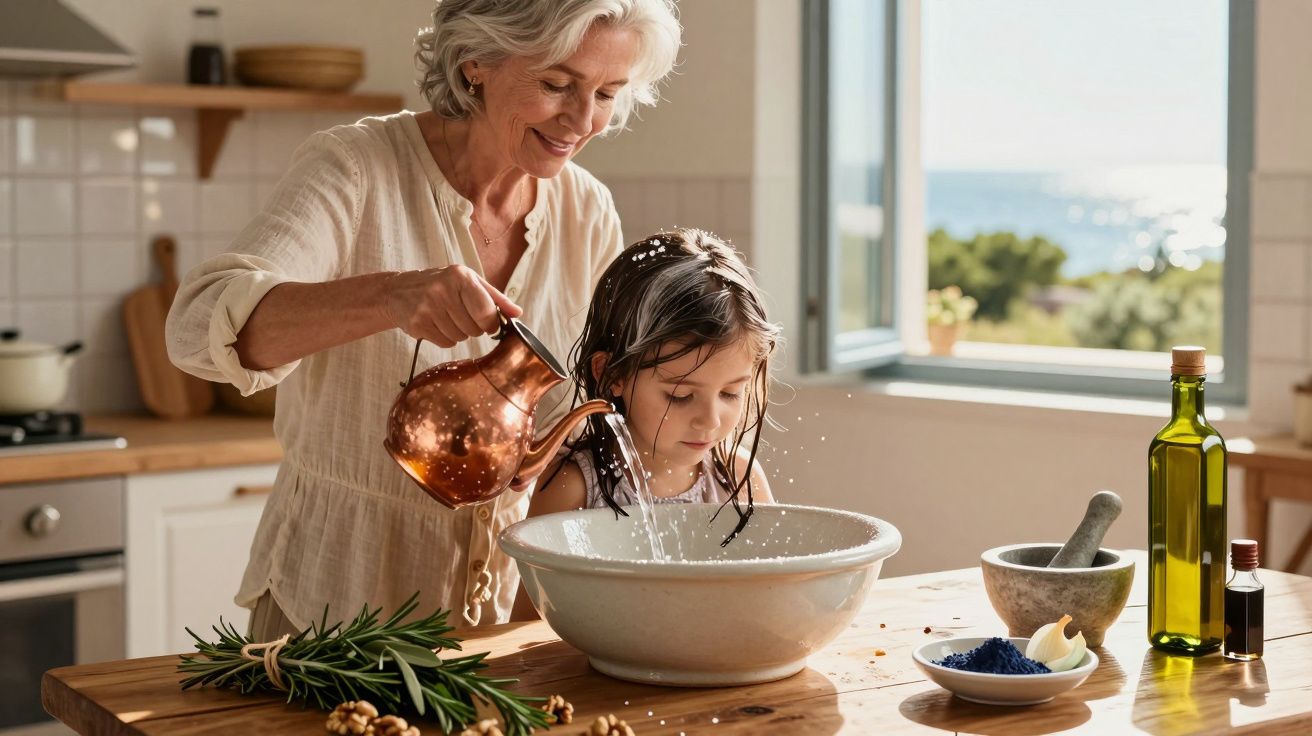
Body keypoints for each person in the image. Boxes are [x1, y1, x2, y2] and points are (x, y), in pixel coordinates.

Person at [165, 0, 680, 638]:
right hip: (331, 610)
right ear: (477, 63)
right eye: (556, 84)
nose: (583, 120)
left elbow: (591, 405)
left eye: (607, 93)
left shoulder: (587, 210)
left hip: (500, 620)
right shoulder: (356, 167)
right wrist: (390, 296)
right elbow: (197, 327)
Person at [512, 228, 780, 618]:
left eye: (730, 394)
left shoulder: (737, 478)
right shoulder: (575, 487)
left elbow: (770, 600)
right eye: (680, 396)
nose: (709, 419)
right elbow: (527, 627)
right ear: (611, 374)